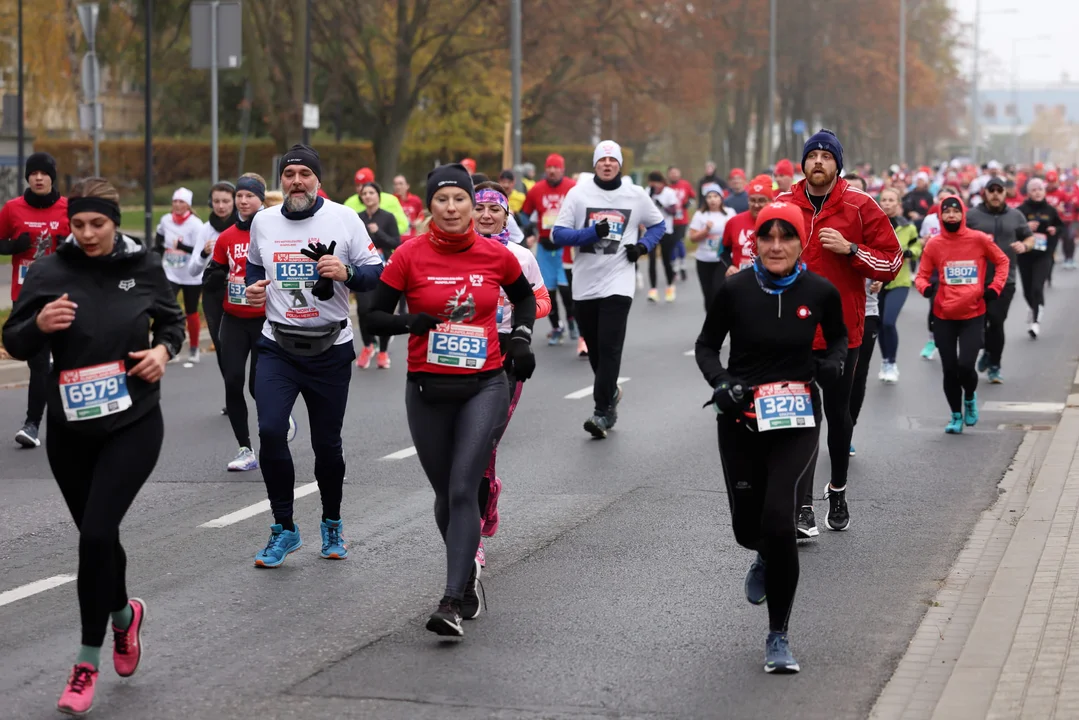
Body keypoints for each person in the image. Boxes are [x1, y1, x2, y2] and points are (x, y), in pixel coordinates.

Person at [2, 177, 185, 716]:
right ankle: (125, 617)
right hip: (71, 430)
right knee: (97, 539)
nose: (86, 234)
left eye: (97, 224)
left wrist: (163, 353)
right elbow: (14, 340)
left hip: (135, 421)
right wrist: (37, 323)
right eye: (78, 224)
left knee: (97, 534)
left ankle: (86, 662)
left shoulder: (143, 266)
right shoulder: (50, 270)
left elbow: (171, 324)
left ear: (115, 221)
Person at [364, 164, 537, 637]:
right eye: (443, 200)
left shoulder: (496, 256)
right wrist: (409, 323)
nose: (453, 208)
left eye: (460, 199)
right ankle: (465, 579)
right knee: (445, 494)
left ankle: (450, 601)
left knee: (464, 487)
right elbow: (372, 316)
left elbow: (524, 301)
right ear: (431, 207)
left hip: (484, 385)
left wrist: (519, 340)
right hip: (426, 389)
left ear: (471, 205)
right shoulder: (407, 255)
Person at [695, 200, 847, 675]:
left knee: (781, 520)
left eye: (786, 237)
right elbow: (705, 346)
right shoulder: (735, 290)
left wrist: (832, 363)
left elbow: (839, 338)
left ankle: (778, 635)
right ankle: (760, 552)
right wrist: (721, 381)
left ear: (801, 243)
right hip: (741, 418)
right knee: (748, 528)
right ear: (756, 242)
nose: (776, 246)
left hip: (797, 418)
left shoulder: (820, 291)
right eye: (768, 237)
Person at [243, 145, 384, 567]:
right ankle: (284, 527)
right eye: (290, 175)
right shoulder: (264, 222)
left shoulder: (345, 218)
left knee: (327, 445)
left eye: (305, 173)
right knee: (269, 431)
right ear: (280, 181)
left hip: (330, 348)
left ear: (318, 180)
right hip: (277, 345)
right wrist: (254, 287)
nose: (297, 181)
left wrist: (348, 274)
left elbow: (377, 273)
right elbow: (254, 267)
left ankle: (332, 521)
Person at [778, 129, 901, 536]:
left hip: (840, 334)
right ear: (803, 163)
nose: (818, 162)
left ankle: (838, 489)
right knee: (800, 421)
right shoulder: (784, 205)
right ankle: (802, 508)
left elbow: (892, 262)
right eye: (811, 155)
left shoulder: (860, 205)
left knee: (838, 417)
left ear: (837, 164)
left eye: (826, 156)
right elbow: (759, 259)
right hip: (793, 332)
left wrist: (852, 250)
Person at [552, 140, 665, 438]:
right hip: (586, 283)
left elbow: (658, 226)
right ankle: (611, 392)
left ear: (619, 165)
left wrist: (641, 246)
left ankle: (601, 411)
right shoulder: (578, 194)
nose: (607, 164)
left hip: (619, 281)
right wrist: (591, 232)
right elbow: (558, 234)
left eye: (612, 160)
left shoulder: (636, 195)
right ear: (595, 165)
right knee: (595, 350)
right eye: (602, 160)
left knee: (610, 347)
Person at [470, 181, 551, 567]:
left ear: (506, 215)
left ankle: (474, 534)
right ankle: (485, 500)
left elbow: (543, 298)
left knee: (485, 441)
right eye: (479, 208)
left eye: (494, 209)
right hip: (465, 350)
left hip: (507, 350)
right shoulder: (456, 254)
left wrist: (519, 316)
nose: (486, 215)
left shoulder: (520, 256)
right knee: (463, 445)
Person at [914, 197, 1009, 433]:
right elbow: (921, 275)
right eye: (947, 212)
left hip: (973, 313)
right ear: (941, 217)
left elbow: (1003, 261)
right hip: (943, 315)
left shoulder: (978, 239)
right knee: (949, 369)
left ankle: (970, 398)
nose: (952, 216)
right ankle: (955, 416)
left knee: (966, 366)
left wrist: (994, 288)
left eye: (956, 212)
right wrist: (926, 289)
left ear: (963, 215)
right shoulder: (934, 244)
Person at [204, 173, 273, 472]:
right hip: (233, 319)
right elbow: (213, 272)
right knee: (232, 380)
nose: (243, 201)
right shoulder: (227, 236)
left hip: (265, 320)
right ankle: (245, 448)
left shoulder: (271, 233)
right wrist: (214, 275)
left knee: (258, 388)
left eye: (249, 196)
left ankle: (273, 432)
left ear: (260, 200)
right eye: (239, 196)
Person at [0, 151, 68, 448]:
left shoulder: (68, 208)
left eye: (44, 172)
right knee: (38, 364)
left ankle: (74, 420)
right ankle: (31, 424)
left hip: (63, 295)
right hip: (26, 299)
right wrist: (13, 246)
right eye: (33, 173)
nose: (38, 177)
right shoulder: (12, 209)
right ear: (27, 177)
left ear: (52, 176)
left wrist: (69, 248)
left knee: (69, 360)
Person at [965, 176, 1033, 381]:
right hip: (975, 278)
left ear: (1005, 193)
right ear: (984, 192)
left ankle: (995, 364)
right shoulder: (972, 216)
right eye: (991, 190)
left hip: (1005, 279)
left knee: (996, 320)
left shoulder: (1016, 216)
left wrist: (1025, 246)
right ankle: (986, 349)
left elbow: (1029, 237)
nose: (995, 194)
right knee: (978, 323)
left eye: (999, 190)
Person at [186, 181, 238, 412]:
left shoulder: (245, 225)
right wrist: (203, 253)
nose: (221, 206)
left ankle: (257, 391)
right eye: (216, 201)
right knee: (220, 343)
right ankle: (232, 394)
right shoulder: (205, 229)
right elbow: (193, 270)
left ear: (235, 202)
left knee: (248, 344)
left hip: (240, 290)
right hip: (213, 292)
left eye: (226, 201)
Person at [522, 154, 577, 346]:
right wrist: (527, 233)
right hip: (545, 247)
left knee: (567, 291)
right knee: (548, 293)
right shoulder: (536, 189)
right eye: (549, 167)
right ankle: (556, 327)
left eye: (556, 167)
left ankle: (571, 319)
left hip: (566, 246)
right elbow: (524, 214)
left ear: (562, 169)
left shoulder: (572, 188)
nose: (552, 171)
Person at [154, 187, 205, 363]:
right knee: (168, 310)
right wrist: (156, 256)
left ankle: (194, 349)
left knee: (191, 311)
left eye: (181, 201)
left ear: (188, 205)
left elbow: (200, 250)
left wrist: (182, 247)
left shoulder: (196, 224)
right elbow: (159, 238)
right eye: (175, 201)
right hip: (171, 272)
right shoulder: (166, 220)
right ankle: (170, 347)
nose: (177, 204)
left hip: (191, 274)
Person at [875, 187, 921, 383]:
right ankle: (885, 361)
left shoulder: (908, 227)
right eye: (883, 200)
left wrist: (910, 252)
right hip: (876, 282)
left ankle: (892, 363)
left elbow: (917, 246)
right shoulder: (873, 225)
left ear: (898, 205)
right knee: (878, 326)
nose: (886, 203)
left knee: (888, 322)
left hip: (899, 281)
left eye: (891, 200)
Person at [354, 181, 401, 369]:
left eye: (371, 193)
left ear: (378, 196)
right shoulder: (357, 218)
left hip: (385, 269)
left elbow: (395, 243)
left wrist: (378, 232)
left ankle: (382, 351)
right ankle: (368, 345)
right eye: (364, 193)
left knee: (384, 311)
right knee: (363, 309)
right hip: (363, 269)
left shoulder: (388, 218)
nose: (367, 196)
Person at [1016, 178, 1064, 339]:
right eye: (1034, 190)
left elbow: (1061, 226)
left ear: (1044, 192)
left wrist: (1054, 229)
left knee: (1037, 287)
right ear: (1028, 193)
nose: (1037, 192)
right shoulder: (1021, 210)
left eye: (1040, 189)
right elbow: (1012, 230)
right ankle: (1034, 307)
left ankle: (1035, 322)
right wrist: (1025, 227)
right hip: (1025, 255)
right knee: (1027, 290)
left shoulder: (1050, 210)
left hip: (1044, 254)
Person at [689, 184, 736, 310]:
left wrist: (729, 229)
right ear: (705, 199)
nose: (712, 199)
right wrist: (705, 230)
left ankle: (721, 320)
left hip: (722, 260)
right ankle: (710, 324)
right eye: (709, 197)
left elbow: (735, 237)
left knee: (718, 290)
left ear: (721, 198)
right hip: (704, 259)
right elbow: (692, 238)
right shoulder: (700, 215)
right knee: (708, 294)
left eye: (715, 196)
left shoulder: (730, 213)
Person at [721, 175, 774, 276]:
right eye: (752, 200)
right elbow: (723, 250)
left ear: (770, 201)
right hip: (741, 279)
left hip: (769, 279)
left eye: (761, 200)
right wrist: (730, 266)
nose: (756, 205)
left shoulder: (778, 222)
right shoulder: (734, 222)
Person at [646, 171, 681, 302]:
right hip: (651, 230)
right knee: (652, 259)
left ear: (661, 183)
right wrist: (649, 197)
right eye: (651, 183)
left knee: (666, 260)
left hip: (666, 230)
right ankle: (653, 290)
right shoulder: (647, 192)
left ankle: (670, 286)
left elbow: (673, 211)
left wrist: (661, 205)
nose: (654, 186)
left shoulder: (669, 193)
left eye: (656, 183)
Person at [343, 167, 408, 235]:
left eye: (363, 184)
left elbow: (403, 224)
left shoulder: (391, 200)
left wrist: (383, 232)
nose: (360, 188)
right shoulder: (349, 203)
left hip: (385, 243)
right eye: (357, 185)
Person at [668, 166, 696, 281]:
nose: (674, 175)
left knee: (679, 242)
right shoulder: (666, 187)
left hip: (682, 220)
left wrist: (687, 204)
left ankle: (682, 266)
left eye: (676, 173)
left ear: (679, 173)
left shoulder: (685, 184)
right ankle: (674, 267)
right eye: (672, 173)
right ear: (669, 175)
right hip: (669, 221)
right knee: (671, 244)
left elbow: (693, 197)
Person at [392, 174, 425, 240]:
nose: (398, 187)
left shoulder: (415, 200)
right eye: (395, 184)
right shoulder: (391, 200)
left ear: (407, 186)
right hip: (396, 239)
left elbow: (421, 215)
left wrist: (418, 221)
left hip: (412, 238)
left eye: (401, 184)